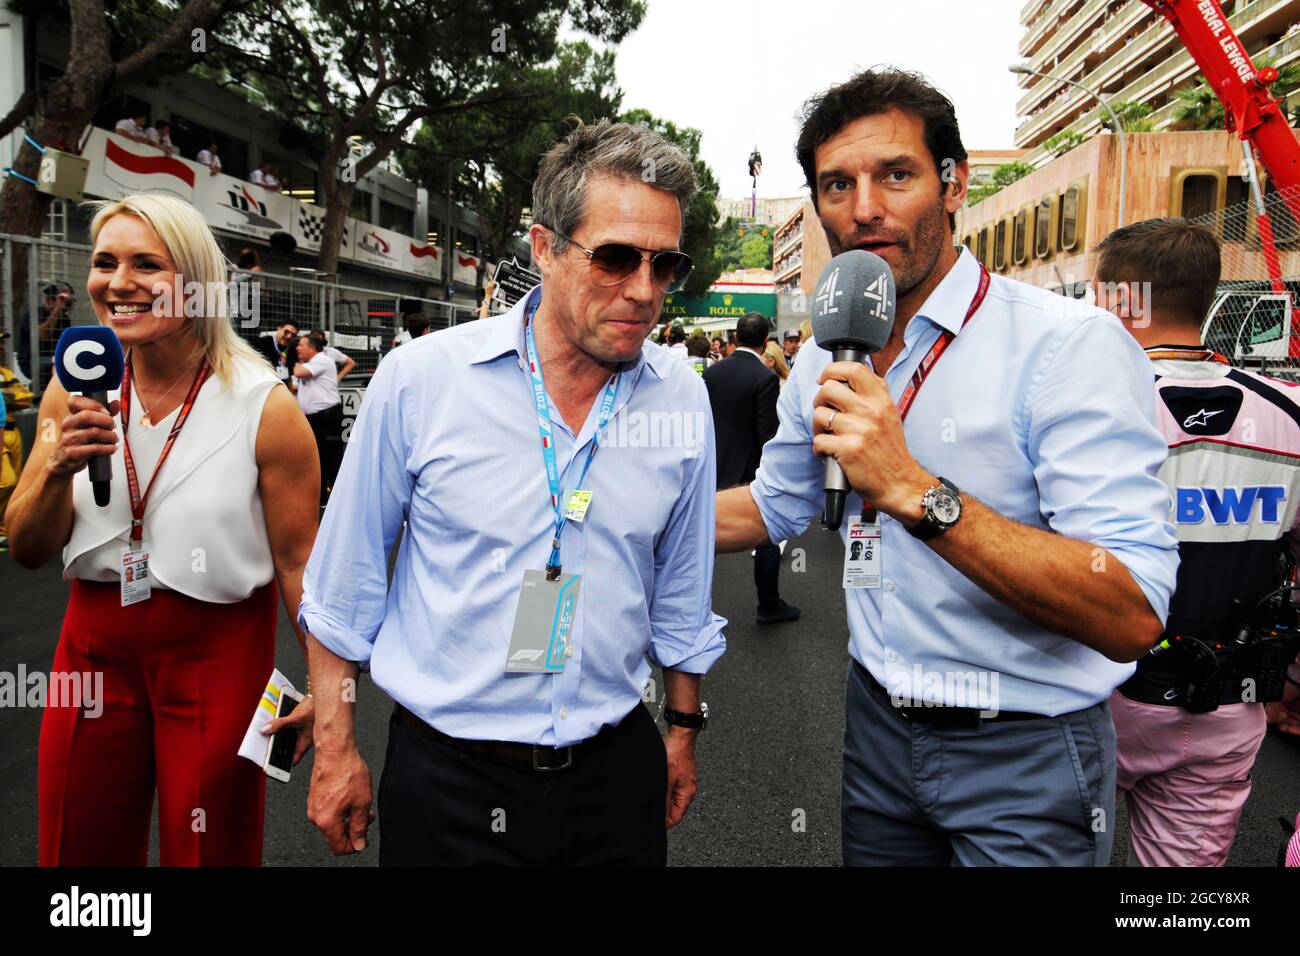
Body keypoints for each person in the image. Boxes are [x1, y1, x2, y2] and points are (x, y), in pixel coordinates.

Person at [714, 67, 1178, 866]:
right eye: (836, 185)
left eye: (896, 175)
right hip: (877, 736)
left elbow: (1131, 611)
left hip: (1027, 753)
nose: (864, 208)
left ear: (954, 184)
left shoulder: (1067, 346)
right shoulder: (827, 350)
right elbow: (773, 506)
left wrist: (914, 491)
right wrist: (620, 512)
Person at [299, 118, 724, 866]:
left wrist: (683, 730)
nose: (643, 290)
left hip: (613, 777)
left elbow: (683, 592)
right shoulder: (422, 381)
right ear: (544, 248)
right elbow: (344, 588)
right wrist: (335, 749)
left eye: (667, 267)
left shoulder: (681, 398)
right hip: (450, 783)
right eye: (617, 258)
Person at [3, 193, 319, 866]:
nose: (119, 282)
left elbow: (299, 562)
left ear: (197, 284)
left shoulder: (265, 405)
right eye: (104, 262)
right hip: (89, 649)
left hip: (219, 654)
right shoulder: (72, 387)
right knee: (75, 842)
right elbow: (28, 547)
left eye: (147, 263)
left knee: (210, 845)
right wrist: (56, 467)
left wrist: (332, 695)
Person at [1092, 217, 1300, 866]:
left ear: (1122, 302)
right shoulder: (1290, 413)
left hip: (1094, 698)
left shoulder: (1085, 412)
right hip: (1227, 707)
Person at [704, 312, 799, 626]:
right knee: (765, 534)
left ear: (735, 339)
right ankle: (768, 604)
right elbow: (767, 432)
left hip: (713, 464)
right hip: (750, 468)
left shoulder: (713, 373)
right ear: (765, 342)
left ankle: (693, 603)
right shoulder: (765, 378)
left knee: (703, 535)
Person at [292, 330, 343, 506]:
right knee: (317, 458)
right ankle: (321, 498)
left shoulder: (322, 360)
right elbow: (294, 385)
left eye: (301, 345)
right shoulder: (308, 363)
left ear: (312, 348)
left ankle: (339, 500)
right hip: (313, 418)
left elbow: (297, 374)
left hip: (326, 417)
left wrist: (298, 367)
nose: (297, 348)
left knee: (332, 458)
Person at [0, 330, 35, 552]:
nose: (2, 347)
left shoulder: (5, 373)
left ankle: (5, 531)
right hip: (3, 431)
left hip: (13, 432)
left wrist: (8, 397)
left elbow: (25, 397)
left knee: (15, 483)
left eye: (2, 343)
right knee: (6, 481)